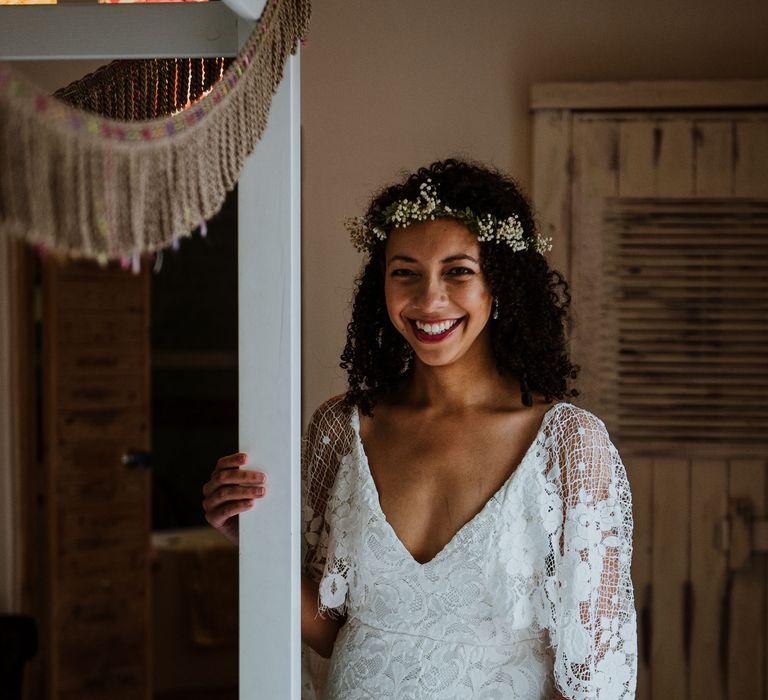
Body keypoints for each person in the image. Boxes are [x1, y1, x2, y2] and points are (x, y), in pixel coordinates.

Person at [203, 159, 637, 699]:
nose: (429, 300)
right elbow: (331, 632)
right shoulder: (342, 430)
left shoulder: (568, 447)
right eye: (404, 271)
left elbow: (596, 679)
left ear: (500, 284)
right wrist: (255, 540)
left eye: (458, 271)